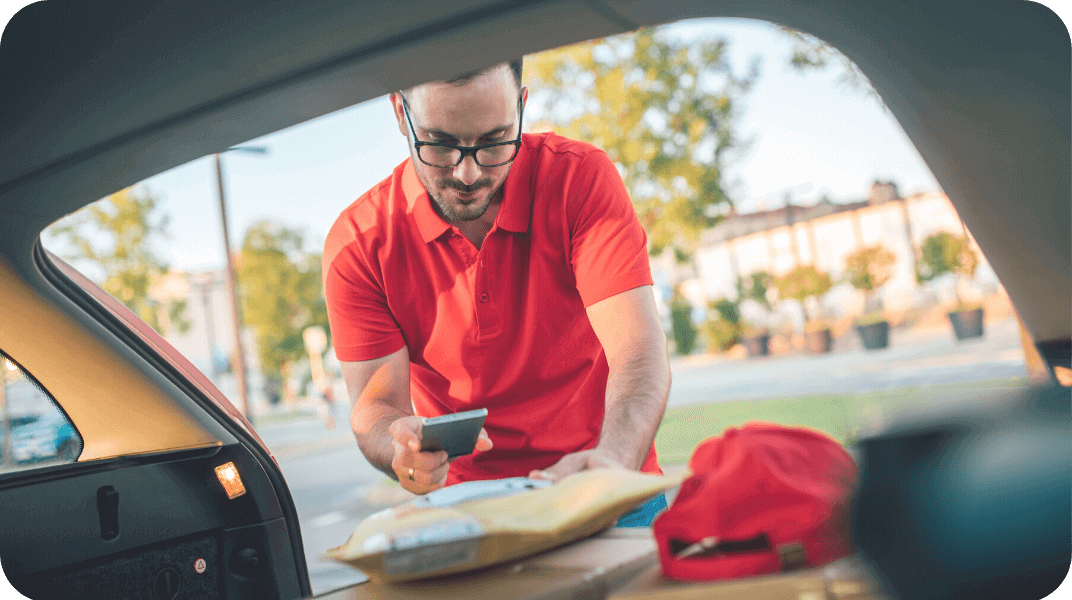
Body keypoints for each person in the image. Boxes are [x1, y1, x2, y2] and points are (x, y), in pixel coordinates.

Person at [323, 59, 671, 520]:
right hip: (473, 505)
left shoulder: (580, 179)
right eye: (441, 144)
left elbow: (639, 352)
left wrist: (612, 462)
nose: (468, 174)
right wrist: (398, 448)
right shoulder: (359, 243)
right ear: (399, 112)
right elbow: (376, 406)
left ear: (522, 107)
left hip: (609, 475)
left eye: (493, 142)